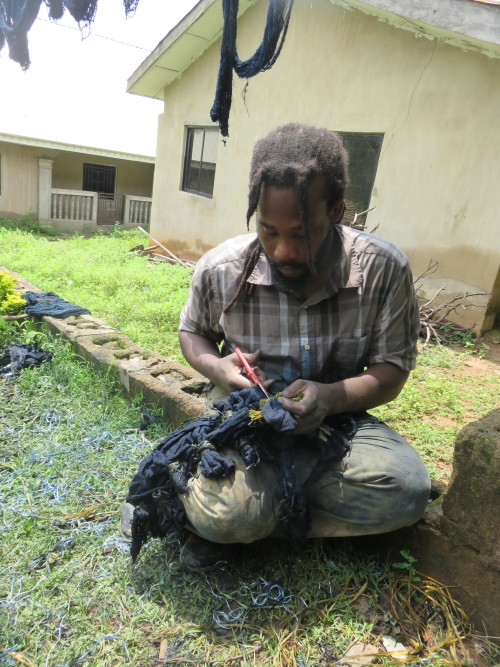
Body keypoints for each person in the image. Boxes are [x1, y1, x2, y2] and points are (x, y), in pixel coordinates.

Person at [126, 123, 430, 569]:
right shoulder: (221, 269)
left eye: (302, 232)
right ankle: (249, 510)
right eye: (269, 231)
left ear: (338, 211)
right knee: (226, 510)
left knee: (407, 491)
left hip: (337, 426)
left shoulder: (384, 270)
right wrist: (217, 368)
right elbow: (193, 333)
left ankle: (256, 515)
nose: (283, 250)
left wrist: (331, 397)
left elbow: (392, 371)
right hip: (246, 422)